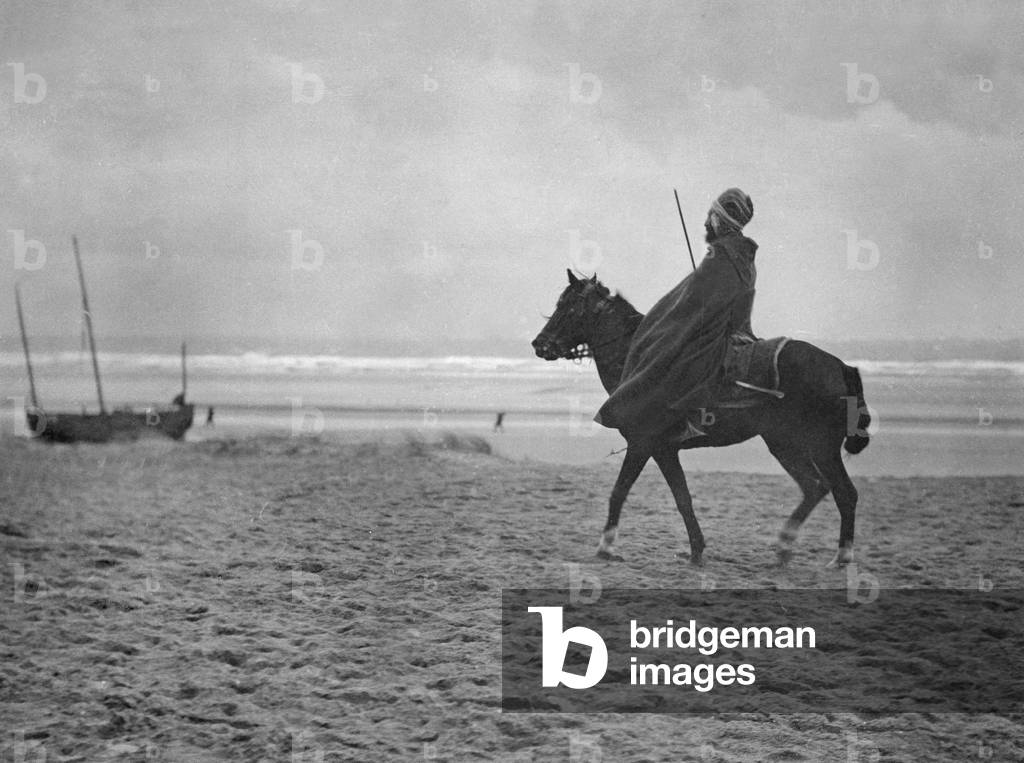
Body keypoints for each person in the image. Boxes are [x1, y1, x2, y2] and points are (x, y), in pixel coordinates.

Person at [594, 187, 758, 440]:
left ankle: (680, 421)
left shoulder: (722, 252)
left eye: (711, 215)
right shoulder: (743, 253)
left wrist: (664, 320)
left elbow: (692, 300)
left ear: (720, 220)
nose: (707, 222)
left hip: (717, 329)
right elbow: (701, 295)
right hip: (734, 326)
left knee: (672, 356)